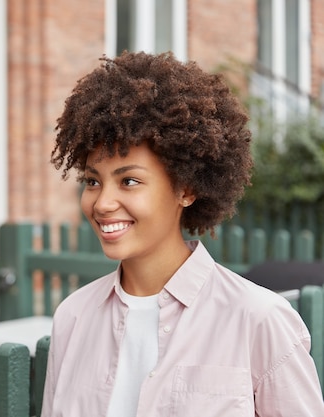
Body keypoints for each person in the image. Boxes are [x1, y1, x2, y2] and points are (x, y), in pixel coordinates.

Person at [41, 51, 324, 417]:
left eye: (129, 181)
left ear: (186, 189)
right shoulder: (73, 318)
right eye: (92, 181)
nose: (103, 203)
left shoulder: (258, 320)